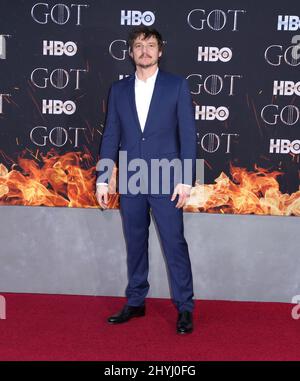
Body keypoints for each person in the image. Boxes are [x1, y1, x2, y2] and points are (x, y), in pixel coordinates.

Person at [96, 26, 197, 334]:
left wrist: (186, 178)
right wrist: (103, 178)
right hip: (131, 177)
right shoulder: (118, 89)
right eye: (138, 46)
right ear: (130, 53)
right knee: (136, 242)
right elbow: (111, 133)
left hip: (167, 177)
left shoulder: (176, 86)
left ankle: (185, 307)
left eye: (150, 45)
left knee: (174, 243)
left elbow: (188, 135)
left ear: (160, 51)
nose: (144, 51)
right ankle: (136, 301)